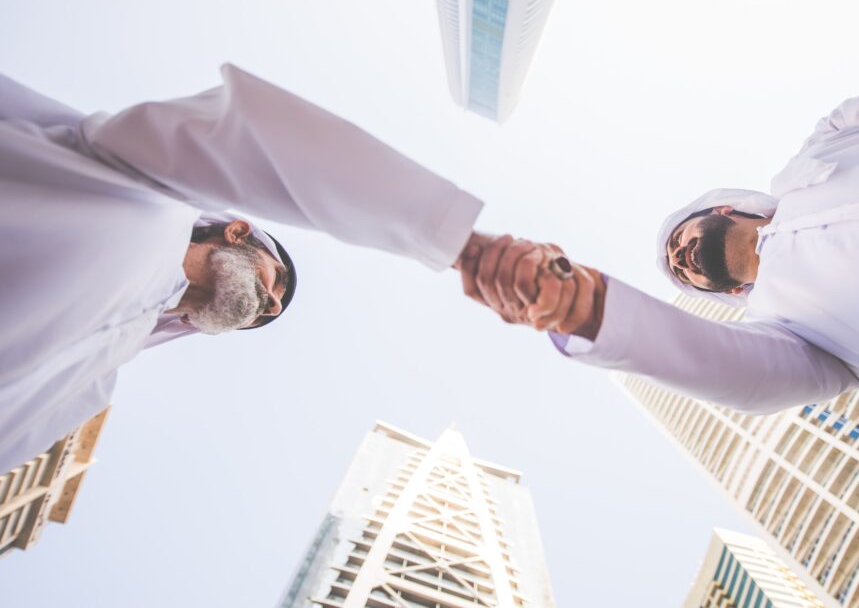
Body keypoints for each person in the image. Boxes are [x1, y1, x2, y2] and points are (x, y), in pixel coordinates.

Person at [460, 0, 859, 444]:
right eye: (681, 273)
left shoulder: (829, 144)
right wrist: (583, 307)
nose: (681, 259)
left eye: (678, 241)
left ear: (723, 208)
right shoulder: (793, 331)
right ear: (717, 292)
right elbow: (743, 376)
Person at [0, 65, 494, 473]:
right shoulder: (146, 191)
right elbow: (260, 143)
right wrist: (457, 241)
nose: (272, 303)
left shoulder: (90, 384)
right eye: (274, 279)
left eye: (266, 316)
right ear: (236, 232)